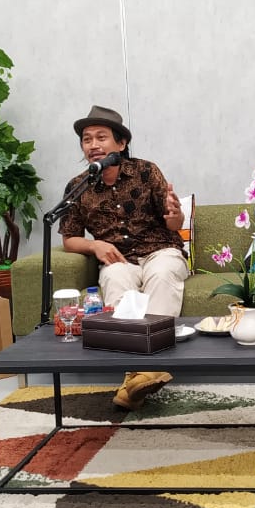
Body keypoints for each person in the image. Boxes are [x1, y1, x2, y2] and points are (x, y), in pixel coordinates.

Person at [59, 106, 189, 411]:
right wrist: (95, 246)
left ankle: (136, 378)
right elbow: (69, 238)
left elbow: (174, 224)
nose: (93, 145)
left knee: (162, 274)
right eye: (87, 139)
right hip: (119, 259)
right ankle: (144, 376)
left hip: (160, 251)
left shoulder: (146, 171)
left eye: (101, 137)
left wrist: (176, 215)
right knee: (116, 279)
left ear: (121, 143)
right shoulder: (78, 186)